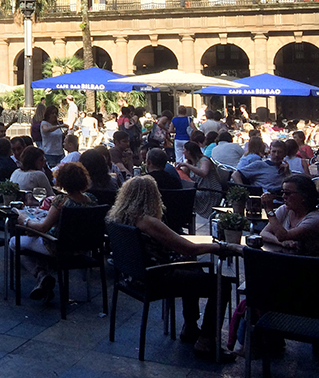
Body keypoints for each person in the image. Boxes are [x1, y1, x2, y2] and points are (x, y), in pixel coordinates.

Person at [107, 176, 234, 361]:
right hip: (154, 279)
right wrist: (223, 247)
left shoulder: (118, 218)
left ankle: (190, 326)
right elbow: (187, 247)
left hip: (132, 277)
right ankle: (206, 340)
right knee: (221, 284)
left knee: (193, 269)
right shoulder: (147, 221)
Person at [14, 162, 98, 301]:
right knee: (35, 242)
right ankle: (43, 281)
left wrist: (25, 221)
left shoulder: (61, 201)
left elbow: (43, 228)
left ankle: (41, 275)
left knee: (13, 242)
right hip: (82, 248)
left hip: (57, 247)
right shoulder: (92, 199)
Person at [260, 173, 319, 255]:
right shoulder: (285, 209)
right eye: (283, 193)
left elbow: (283, 236)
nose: (284, 197)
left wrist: (269, 211)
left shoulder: (315, 218)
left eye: (287, 193)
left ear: (304, 196)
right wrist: (282, 243)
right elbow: (264, 233)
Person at [176, 141, 222, 217]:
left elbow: (203, 173)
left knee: (186, 195)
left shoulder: (204, 160)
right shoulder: (191, 162)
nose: (183, 152)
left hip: (209, 191)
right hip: (200, 189)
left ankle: (184, 216)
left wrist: (186, 165)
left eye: (184, 150)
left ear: (189, 151)